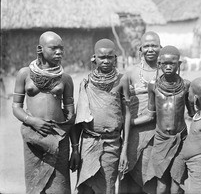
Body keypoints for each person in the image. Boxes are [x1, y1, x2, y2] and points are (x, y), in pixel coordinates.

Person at [12, 31, 75, 194]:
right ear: (40, 49)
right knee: (35, 188)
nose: (59, 52)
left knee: (59, 187)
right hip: (33, 137)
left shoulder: (65, 79)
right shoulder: (24, 74)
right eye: (54, 48)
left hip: (58, 138)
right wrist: (33, 121)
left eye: (61, 48)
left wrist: (74, 147)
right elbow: (16, 107)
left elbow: (71, 115)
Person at [69, 39, 131, 194]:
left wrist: (124, 150)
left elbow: (127, 115)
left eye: (110, 57)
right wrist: (75, 150)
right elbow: (78, 119)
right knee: (86, 188)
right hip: (88, 143)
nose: (106, 61)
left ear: (115, 59)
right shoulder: (86, 83)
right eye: (101, 57)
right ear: (94, 58)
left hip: (112, 144)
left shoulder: (122, 80)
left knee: (108, 187)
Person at [132, 45, 194, 194]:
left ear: (179, 64)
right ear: (159, 64)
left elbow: (192, 113)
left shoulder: (185, 85)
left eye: (172, 63)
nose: (168, 67)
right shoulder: (153, 86)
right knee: (161, 184)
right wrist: (128, 123)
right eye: (164, 63)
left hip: (180, 139)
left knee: (177, 183)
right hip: (160, 140)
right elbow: (150, 114)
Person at [120, 31, 161, 194]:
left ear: (160, 48)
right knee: (132, 176)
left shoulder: (166, 72)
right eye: (147, 46)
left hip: (158, 133)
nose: (150, 49)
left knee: (154, 176)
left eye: (154, 46)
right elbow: (122, 104)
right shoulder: (130, 73)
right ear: (140, 49)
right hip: (134, 133)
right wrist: (128, 124)